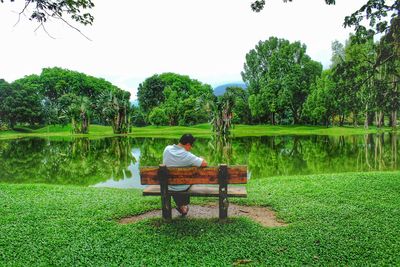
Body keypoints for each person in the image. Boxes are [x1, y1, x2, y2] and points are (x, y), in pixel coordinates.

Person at [162, 133, 207, 216]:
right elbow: (204, 164)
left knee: (177, 184)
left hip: (168, 185)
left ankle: (182, 207)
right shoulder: (187, 156)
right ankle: (184, 206)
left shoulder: (167, 149)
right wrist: (201, 158)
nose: (191, 148)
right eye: (191, 146)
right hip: (182, 187)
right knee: (186, 182)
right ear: (188, 144)